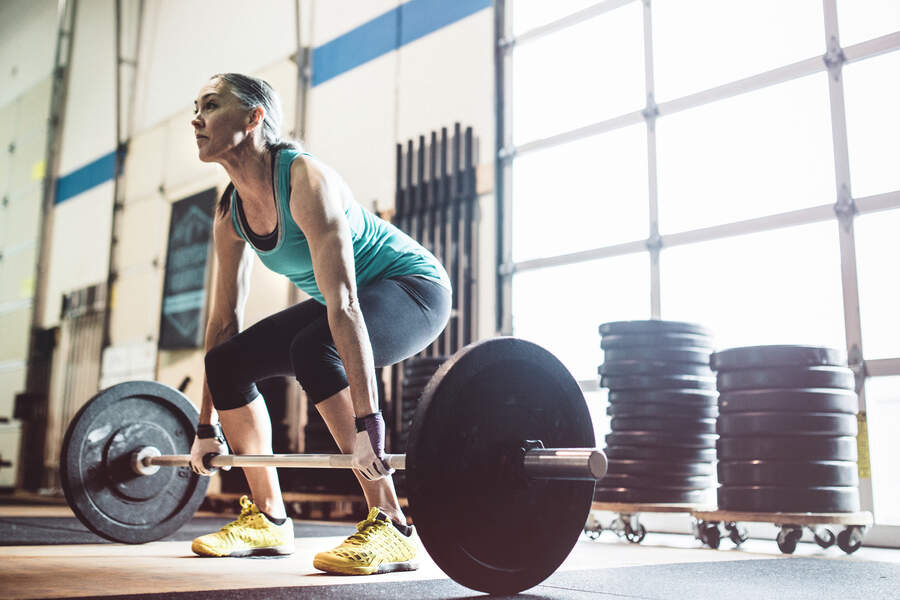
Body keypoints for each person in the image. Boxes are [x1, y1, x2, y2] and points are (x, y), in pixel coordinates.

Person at [186, 72, 450, 575]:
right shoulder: (230, 213)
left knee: (314, 348)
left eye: (211, 106)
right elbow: (223, 322)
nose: (196, 119)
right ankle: (268, 518)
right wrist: (206, 425)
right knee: (226, 362)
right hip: (345, 300)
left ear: (253, 117)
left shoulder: (305, 180)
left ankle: (392, 522)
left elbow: (345, 302)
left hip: (414, 289)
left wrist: (368, 426)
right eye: (195, 108)